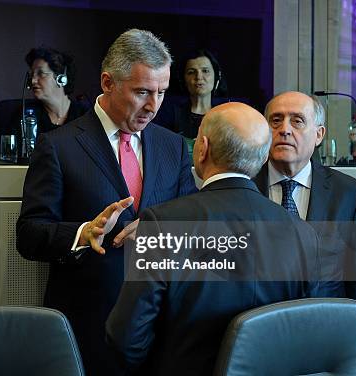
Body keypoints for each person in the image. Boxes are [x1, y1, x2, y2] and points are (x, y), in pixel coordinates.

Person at [16, 29, 197, 376]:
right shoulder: (59, 146)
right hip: (87, 328)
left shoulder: (172, 146)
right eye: (142, 92)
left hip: (160, 329)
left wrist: (163, 231)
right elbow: (28, 234)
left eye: (161, 92)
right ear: (108, 82)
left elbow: (191, 220)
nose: (153, 105)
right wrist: (84, 233)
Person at [106, 102, 323, 375]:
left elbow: (126, 336)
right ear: (263, 157)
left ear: (202, 148)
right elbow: (308, 335)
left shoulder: (162, 224)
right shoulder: (303, 234)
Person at [253, 91, 356, 317]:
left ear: (319, 134)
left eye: (297, 121)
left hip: (326, 330)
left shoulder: (348, 193)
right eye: (275, 120)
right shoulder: (242, 186)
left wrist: (349, 336)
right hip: (257, 331)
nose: (284, 129)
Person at [0, 47, 89, 155]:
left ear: (61, 78)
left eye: (41, 73)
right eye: (32, 75)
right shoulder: (25, 115)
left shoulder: (85, 115)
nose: (33, 80)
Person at [153, 49, 227, 156]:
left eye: (205, 71)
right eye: (191, 72)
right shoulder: (169, 114)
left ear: (217, 77)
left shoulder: (226, 115)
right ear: (183, 80)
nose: (199, 77)